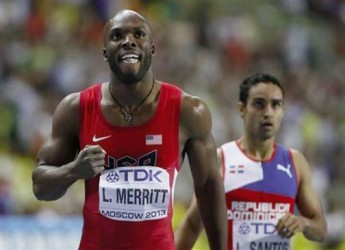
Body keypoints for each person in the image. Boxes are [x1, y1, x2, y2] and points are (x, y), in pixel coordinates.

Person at [31, 9, 227, 250]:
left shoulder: (188, 111)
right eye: (117, 36)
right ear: (105, 52)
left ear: (152, 49)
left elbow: (209, 188)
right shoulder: (76, 109)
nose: (128, 41)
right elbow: (40, 186)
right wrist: (73, 170)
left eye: (139, 34)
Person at [175, 73, 328, 250]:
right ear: (241, 109)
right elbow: (192, 225)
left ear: (283, 111)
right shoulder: (221, 159)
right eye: (259, 104)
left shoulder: (295, 162)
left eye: (276, 105)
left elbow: (321, 229)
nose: (268, 112)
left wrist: (303, 223)